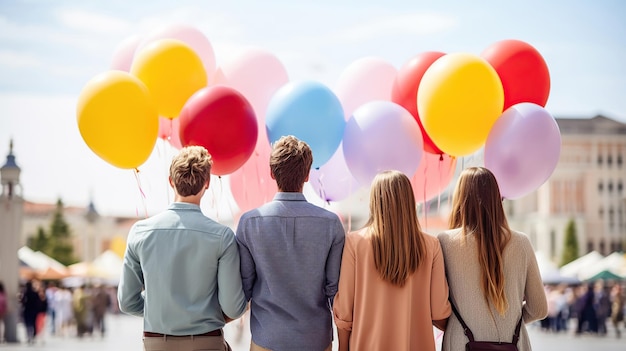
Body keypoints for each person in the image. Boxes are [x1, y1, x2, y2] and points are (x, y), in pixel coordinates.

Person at [118, 145, 247, 351]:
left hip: (156, 342)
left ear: (171, 181)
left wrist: (164, 312)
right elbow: (233, 307)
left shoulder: (140, 232)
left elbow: (126, 302)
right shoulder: (223, 237)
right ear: (207, 183)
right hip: (207, 341)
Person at [236, 135, 345, 351]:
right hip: (316, 341)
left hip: (267, 340)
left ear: (271, 173)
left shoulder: (249, 223)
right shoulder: (331, 224)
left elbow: (244, 288)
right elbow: (335, 291)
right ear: (306, 176)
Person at [333, 170, 451, 351]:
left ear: (374, 202)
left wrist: (342, 347)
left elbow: (344, 311)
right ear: (409, 202)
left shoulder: (355, 243)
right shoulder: (431, 246)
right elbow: (439, 311)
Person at [437, 167, 547, 351]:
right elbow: (539, 309)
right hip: (513, 344)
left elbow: (437, 307)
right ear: (496, 199)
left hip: (461, 344)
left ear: (460, 198)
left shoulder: (445, 242)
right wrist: (511, 320)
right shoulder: (521, 243)